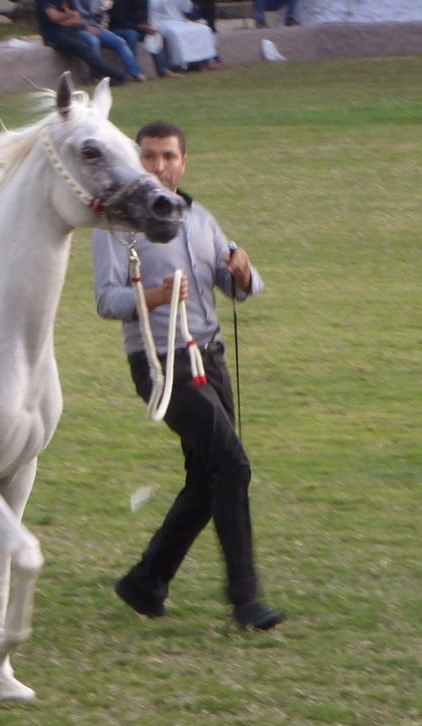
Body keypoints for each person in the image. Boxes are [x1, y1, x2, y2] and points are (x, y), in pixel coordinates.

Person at [91, 120, 284, 631]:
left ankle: (146, 582)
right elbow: (106, 300)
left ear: (183, 162)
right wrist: (154, 297)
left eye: (168, 156)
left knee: (208, 476)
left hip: (209, 359)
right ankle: (246, 600)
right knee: (233, 465)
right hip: (162, 363)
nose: (159, 166)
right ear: (136, 160)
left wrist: (242, 273)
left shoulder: (199, 218)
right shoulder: (117, 226)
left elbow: (235, 284)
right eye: (149, 156)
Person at [35, 0, 126, 86]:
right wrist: (68, 14)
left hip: (69, 32)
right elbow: (54, 16)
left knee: (88, 46)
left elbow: (78, 20)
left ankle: (102, 77)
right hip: (53, 35)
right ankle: (115, 75)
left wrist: (63, 19)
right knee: (83, 48)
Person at [73, 0, 147, 81]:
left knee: (120, 42)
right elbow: (73, 17)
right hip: (79, 29)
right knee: (94, 42)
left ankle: (135, 72)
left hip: (96, 28)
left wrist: (101, 15)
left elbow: (98, 19)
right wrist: (86, 27)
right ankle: (96, 75)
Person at [107, 0, 182, 79]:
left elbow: (143, 18)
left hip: (135, 28)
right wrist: (140, 27)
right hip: (118, 28)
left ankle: (163, 70)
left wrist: (147, 27)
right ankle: (133, 72)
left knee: (155, 34)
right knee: (132, 35)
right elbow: (118, 21)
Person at [149, 0, 220, 72]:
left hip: (178, 20)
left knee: (203, 29)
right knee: (176, 33)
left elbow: (186, 7)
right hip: (160, 21)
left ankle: (202, 62)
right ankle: (179, 64)